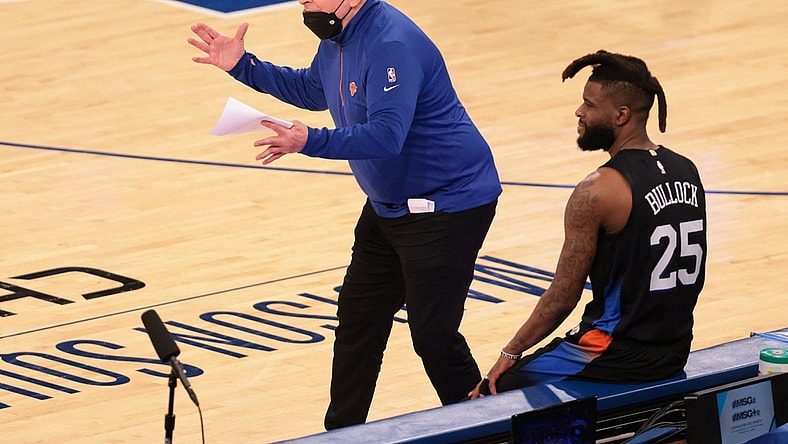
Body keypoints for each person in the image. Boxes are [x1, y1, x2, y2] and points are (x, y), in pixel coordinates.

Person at [188, 0, 502, 429]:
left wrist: (310, 141)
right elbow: (315, 91)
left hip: (447, 205)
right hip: (387, 207)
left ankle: (491, 429)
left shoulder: (391, 43)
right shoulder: (338, 35)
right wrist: (244, 66)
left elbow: (387, 135)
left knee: (434, 338)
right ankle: (340, 436)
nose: (305, 2)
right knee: (357, 324)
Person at [470, 50, 706, 398]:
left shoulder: (597, 191)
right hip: (674, 349)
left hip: (614, 352)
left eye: (589, 104)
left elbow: (563, 297)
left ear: (621, 115)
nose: (579, 112)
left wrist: (509, 352)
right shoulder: (687, 170)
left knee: (493, 395)